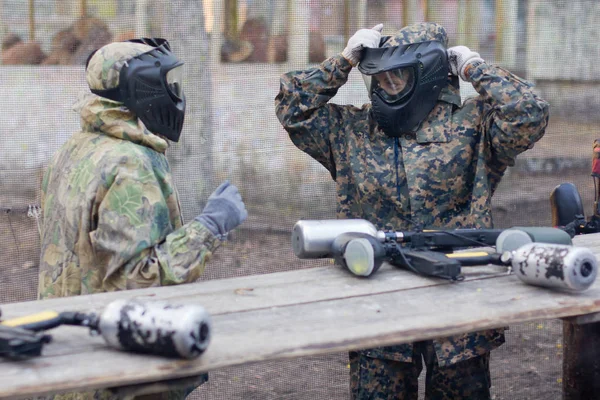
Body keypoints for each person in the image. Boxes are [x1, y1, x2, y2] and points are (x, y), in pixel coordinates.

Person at [275, 22, 549, 400]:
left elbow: (530, 113)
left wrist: (474, 68)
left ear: (428, 73)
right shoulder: (353, 130)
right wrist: (342, 61)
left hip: (459, 303)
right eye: (380, 77)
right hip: (380, 306)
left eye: (397, 76)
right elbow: (293, 109)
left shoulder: (473, 126)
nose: (387, 85)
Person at [38, 38, 247, 399]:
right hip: (114, 369)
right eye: (164, 82)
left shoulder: (74, 149)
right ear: (140, 86)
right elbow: (137, 279)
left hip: (67, 355)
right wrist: (210, 226)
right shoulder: (129, 164)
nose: (173, 93)